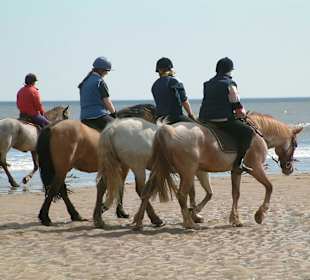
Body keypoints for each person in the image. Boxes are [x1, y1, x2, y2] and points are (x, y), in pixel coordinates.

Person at [198, 57, 254, 172]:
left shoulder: (207, 83)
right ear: (229, 70)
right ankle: (238, 163)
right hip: (222, 120)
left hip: (204, 119)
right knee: (248, 132)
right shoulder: (230, 84)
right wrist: (243, 114)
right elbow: (236, 105)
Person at [151, 57, 195, 124]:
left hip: (159, 119)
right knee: (196, 127)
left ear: (158, 70)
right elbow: (184, 101)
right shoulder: (175, 81)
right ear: (170, 68)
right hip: (175, 118)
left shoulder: (154, 85)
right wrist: (190, 114)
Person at [78, 56, 116, 131]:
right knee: (119, 128)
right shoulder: (100, 82)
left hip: (84, 118)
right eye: (106, 70)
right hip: (98, 117)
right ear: (101, 70)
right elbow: (108, 102)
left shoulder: (84, 82)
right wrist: (114, 114)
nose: (107, 73)